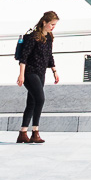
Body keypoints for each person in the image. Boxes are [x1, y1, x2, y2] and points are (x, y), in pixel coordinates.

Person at [16, 10, 60, 144]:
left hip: (41, 73)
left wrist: (54, 71)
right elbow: (24, 57)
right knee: (40, 99)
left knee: (32, 102)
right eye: (51, 24)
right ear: (44, 22)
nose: (53, 27)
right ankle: (35, 132)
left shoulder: (49, 38)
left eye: (55, 25)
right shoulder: (33, 37)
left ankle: (23, 133)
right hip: (30, 73)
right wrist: (21, 74)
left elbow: (49, 55)